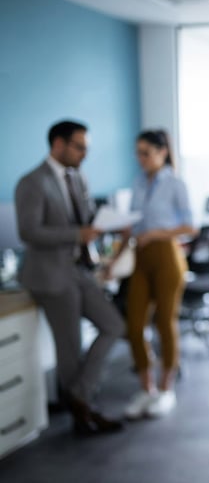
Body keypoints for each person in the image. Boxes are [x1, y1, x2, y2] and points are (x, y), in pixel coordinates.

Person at [15, 120, 125, 435]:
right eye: (79, 147)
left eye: (86, 148)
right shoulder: (32, 182)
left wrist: (114, 223)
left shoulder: (78, 178)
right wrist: (78, 234)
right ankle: (84, 411)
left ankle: (77, 397)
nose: (84, 154)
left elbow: (88, 217)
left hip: (79, 269)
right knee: (70, 348)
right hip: (50, 275)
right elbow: (29, 231)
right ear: (58, 144)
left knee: (113, 325)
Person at [115, 129, 197, 419]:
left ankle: (165, 390)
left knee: (165, 323)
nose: (141, 159)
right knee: (135, 325)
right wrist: (113, 260)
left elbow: (190, 226)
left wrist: (155, 233)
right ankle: (146, 389)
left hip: (166, 255)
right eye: (138, 153)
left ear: (162, 152)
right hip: (140, 257)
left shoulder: (175, 183)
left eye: (146, 153)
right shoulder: (138, 183)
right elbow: (132, 226)